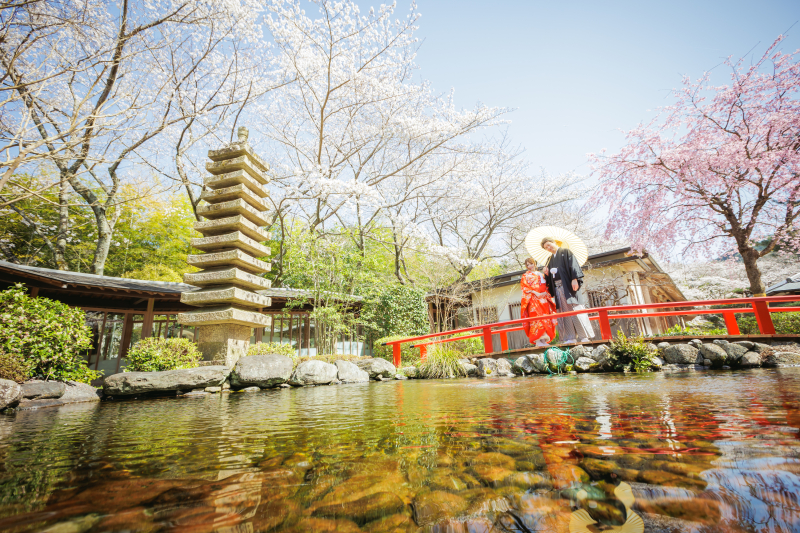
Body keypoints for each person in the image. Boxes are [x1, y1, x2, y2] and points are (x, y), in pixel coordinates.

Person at [540, 237, 595, 344]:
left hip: (569, 286)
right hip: (558, 288)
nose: (548, 248)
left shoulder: (565, 252)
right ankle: (570, 337)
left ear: (554, 242)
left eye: (549, 245)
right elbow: (550, 277)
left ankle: (584, 336)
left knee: (576, 310)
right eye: (546, 247)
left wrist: (574, 279)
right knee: (564, 313)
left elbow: (573, 265)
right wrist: (546, 273)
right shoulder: (549, 259)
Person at [520, 257, 557, 347]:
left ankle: (544, 339)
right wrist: (534, 292)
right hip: (533, 299)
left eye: (531, 264)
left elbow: (546, 285)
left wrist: (545, 292)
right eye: (527, 265)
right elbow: (524, 287)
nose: (530, 266)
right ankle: (537, 341)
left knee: (545, 318)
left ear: (535, 264)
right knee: (536, 319)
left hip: (543, 299)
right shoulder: (526, 275)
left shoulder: (541, 274)